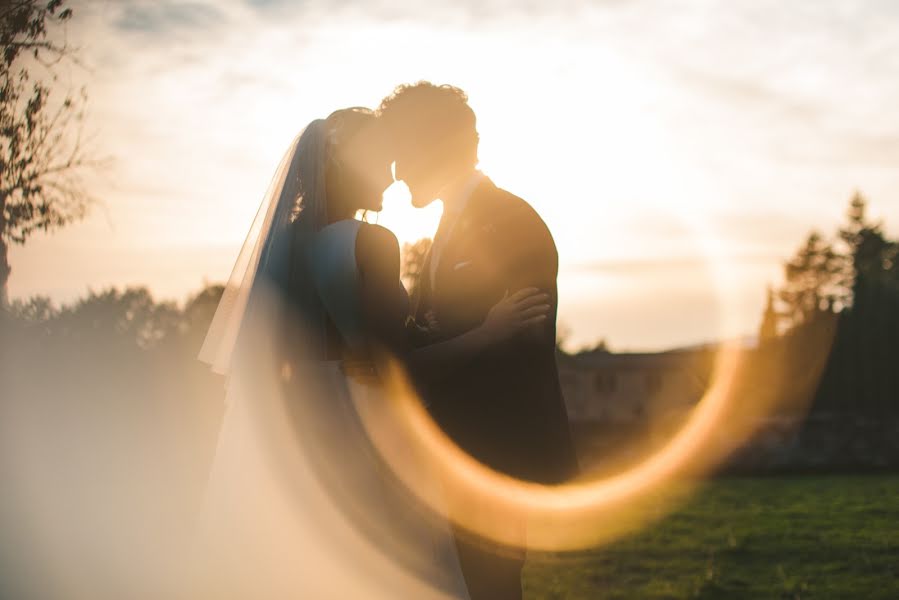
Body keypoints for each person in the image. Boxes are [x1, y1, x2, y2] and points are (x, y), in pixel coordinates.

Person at [195, 107, 548, 598]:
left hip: (302, 429)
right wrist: (490, 332)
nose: (393, 176)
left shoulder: (287, 245)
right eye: (382, 160)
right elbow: (397, 371)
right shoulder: (371, 243)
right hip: (364, 431)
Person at [378, 82, 580, 600]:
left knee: (490, 586)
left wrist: (418, 361)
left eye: (402, 154)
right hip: (446, 455)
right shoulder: (446, 228)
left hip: (493, 453)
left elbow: (523, 342)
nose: (397, 175)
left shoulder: (513, 223)